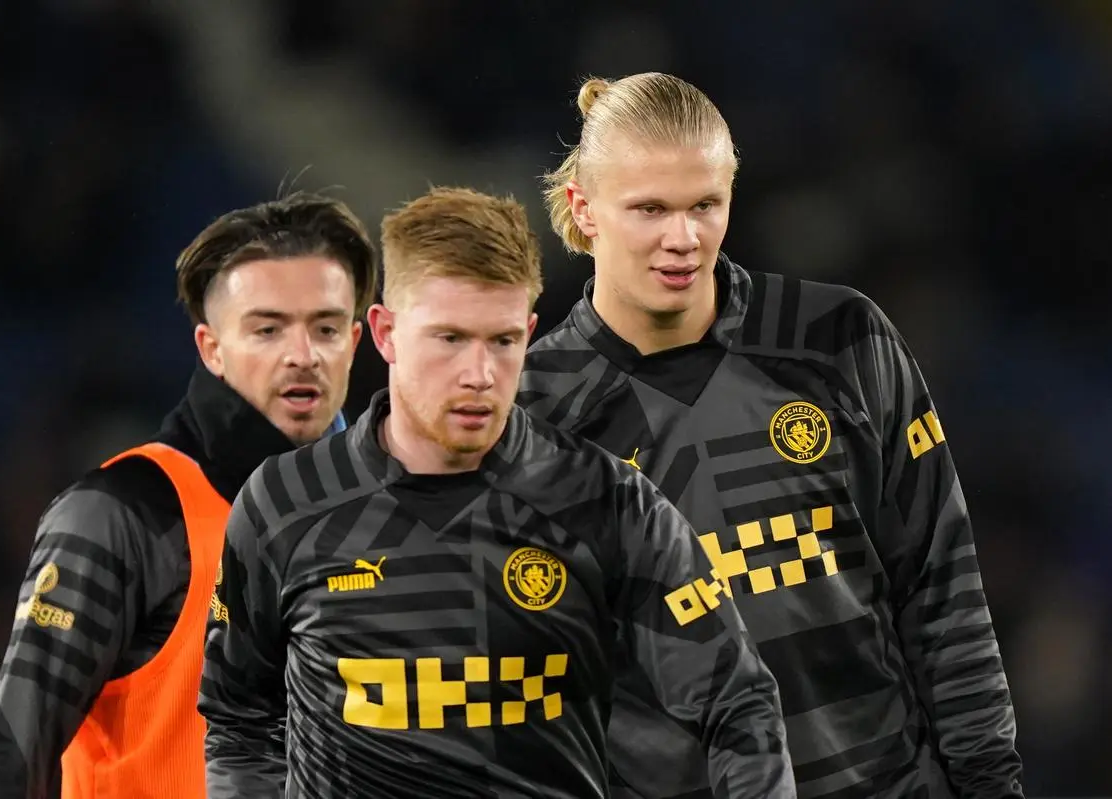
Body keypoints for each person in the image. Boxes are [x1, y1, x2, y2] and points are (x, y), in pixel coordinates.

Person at [519, 72, 1024, 799]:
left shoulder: (838, 340)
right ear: (583, 209)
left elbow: (942, 594)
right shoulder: (533, 412)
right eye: (649, 209)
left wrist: (991, 785)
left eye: (705, 205)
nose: (682, 238)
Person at [199, 186, 796, 798]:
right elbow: (241, 724)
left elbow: (737, 704)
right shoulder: (285, 502)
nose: (479, 375)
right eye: (450, 338)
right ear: (385, 333)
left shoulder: (603, 500)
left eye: (503, 341)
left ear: (530, 331)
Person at [0, 192, 377, 799]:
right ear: (211, 348)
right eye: (267, 328)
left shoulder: (384, 513)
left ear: (356, 340)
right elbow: (8, 761)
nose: (302, 356)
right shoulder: (125, 513)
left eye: (326, 328)